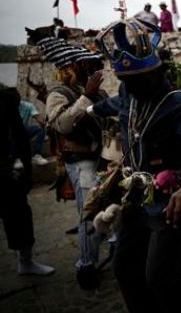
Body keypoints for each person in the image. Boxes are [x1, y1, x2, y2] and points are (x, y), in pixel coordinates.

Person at [93, 19, 181, 313]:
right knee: (124, 268)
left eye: (138, 80)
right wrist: (85, 107)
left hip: (169, 201)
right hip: (133, 198)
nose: (131, 87)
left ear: (156, 71)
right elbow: (110, 105)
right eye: (126, 81)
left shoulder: (179, 102)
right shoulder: (127, 93)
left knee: (161, 276)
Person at [38, 36, 106, 289]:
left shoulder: (98, 92)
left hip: (103, 158)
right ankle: (86, 265)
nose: (93, 69)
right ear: (73, 67)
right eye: (86, 64)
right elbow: (62, 124)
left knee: (110, 207)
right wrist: (86, 96)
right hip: (81, 162)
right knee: (89, 212)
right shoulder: (59, 94)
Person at [0, 86, 55, 276]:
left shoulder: (6, 97)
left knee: (19, 215)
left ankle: (25, 261)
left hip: (6, 170)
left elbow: (20, 135)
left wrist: (25, 171)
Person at [7, 89, 47, 166]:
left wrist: (45, 123)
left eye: (17, 99)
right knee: (10, 132)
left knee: (40, 129)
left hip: (23, 130)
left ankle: (36, 155)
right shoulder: (6, 107)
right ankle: (17, 158)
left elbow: (38, 118)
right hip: (10, 132)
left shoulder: (28, 106)